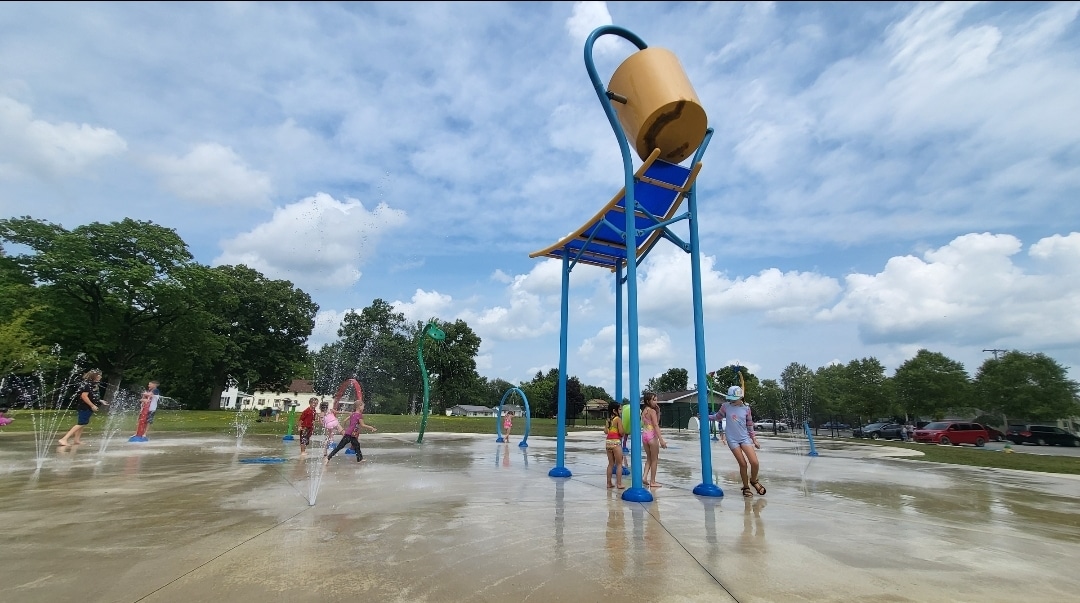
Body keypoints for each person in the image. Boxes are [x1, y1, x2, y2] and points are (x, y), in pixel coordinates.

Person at [710, 385, 765, 497]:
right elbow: (717, 417)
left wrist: (754, 439)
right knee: (743, 464)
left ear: (740, 397)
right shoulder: (725, 406)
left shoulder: (746, 409)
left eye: (734, 399)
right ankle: (746, 487)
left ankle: (753, 481)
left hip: (744, 438)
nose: (732, 401)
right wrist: (706, 417)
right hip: (732, 439)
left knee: (755, 462)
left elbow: (749, 424)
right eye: (730, 399)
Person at [58, 369, 108, 446]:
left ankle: (76, 440)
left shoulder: (91, 384)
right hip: (85, 407)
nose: (101, 377)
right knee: (81, 423)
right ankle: (64, 439)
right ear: (95, 376)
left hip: (86, 407)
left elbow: (92, 396)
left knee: (83, 423)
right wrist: (92, 405)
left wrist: (100, 401)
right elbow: (84, 396)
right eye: (99, 375)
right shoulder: (87, 384)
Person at [640, 391, 667, 488]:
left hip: (645, 436)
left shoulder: (644, 411)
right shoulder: (652, 411)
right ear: (648, 401)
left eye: (656, 400)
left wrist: (658, 412)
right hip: (652, 436)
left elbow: (652, 422)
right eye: (654, 400)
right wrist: (661, 440)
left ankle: (644, 476)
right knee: (654, 459)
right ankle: (653, 481)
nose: (656, 402)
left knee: (649, 458)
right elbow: (656, 425)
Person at [604, 401, 625, 489]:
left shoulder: (608, 420)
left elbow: (605, 431)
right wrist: (623, 432)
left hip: (608, 442)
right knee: (619, 464)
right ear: (614, 410)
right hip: (616, 442)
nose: (621, 411)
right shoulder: (618, 419)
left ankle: (609, 483)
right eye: (620, 409)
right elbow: (621, 432)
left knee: (610, 464)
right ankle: (619, 483)